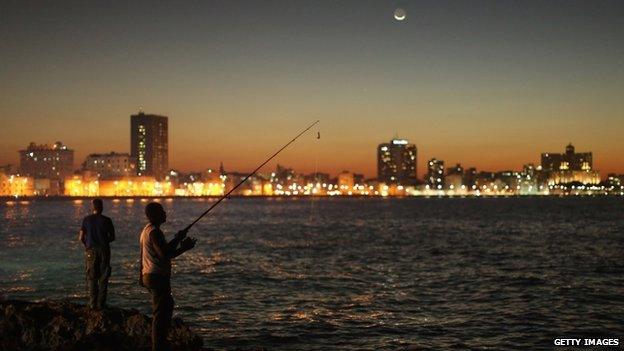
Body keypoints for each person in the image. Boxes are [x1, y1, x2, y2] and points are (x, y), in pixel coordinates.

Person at [140, 202, 196, 351]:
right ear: (155, 215)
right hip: (157, 277)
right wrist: (184, 247)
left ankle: (159, 344)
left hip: (149, 276)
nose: (165, 213)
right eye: (162, 211)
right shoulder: (154, 232)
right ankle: (158, 346)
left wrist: (178, 238)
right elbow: (165, 255)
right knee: (161, 315)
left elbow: (160, 251)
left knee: (163, 311)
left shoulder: (146, 231)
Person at [78, 198, 115, 310]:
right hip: (104, 250)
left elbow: (80, 237)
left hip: (90, 250)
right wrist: (103, 241)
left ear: (92, 207)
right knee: (104, 277)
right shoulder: (107, 220)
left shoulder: (86, 220)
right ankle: (101, 304)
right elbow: (112, 237)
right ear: (102, 207)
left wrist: (87, 246)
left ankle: (93, 304)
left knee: (92, 277)